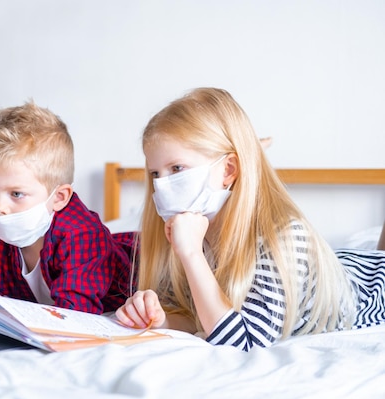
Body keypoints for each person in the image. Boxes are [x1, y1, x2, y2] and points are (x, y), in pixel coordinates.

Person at [115, 87, 385, 351]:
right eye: (155, 174)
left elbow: (245, 341)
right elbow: (198, 314)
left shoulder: (283, 237)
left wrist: (191, 254)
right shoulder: (190, 230)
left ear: (228, 169)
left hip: (370, 287)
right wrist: (163, 319)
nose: (162, 185)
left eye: (177, 168)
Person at [0, 101, 134, 314]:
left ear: (58, 197)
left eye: (16, 194)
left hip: (140, 266)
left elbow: (76, 316)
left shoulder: (82, 235)